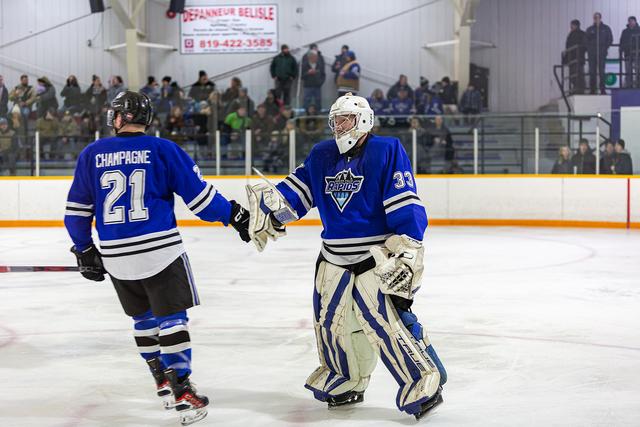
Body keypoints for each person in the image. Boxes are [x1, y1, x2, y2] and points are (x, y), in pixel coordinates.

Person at [245, 92, 446, 419]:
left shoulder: (385, 150)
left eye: (346, 120)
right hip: (333, 258)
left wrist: (408, 246)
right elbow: (297, 193)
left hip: (373, 256)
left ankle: (422, 378)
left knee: (386, 323)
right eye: (335, 121)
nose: (339, 126)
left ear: (364, 120)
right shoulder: (322, 154)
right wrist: (271, 209)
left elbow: (405, 201)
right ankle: (345, 377)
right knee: (330, 323)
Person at [63, 91, 252, 426]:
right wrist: (234, 215)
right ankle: (182, 389)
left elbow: (77, 212)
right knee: (172, 319)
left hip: (117, 256)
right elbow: (202, 200)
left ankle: (161, 380)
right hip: (160, 251)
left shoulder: (92, 153)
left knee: (143, 319)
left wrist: (84, 248)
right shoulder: (163, 149)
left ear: (119, 117)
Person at [585, 12, 613, 95]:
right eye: (595, 18)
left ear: (600, 18)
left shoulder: (606, 28)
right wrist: (590, 48)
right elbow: (585, 40)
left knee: (602, 71)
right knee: (592, 72)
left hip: (602, 53)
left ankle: (602, 89)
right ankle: (592, 90)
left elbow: (610, 39)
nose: (596, 19)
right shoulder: (590, 29)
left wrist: (605, 48)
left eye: (598, 17)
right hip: (592, 54)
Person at [564, 20, 587, 94]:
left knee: (578, 75)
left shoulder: (580, 34)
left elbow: (584, 46)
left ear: (576, 25)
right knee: (573, 75)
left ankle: (579, 90)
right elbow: (568, 47)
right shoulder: (572, 34)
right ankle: (576, 89)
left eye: (572, 25)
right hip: (573, 58)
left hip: (577, 58)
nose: (571, 27)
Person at [301, 45, 326, 110]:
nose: (316, 58)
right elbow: (301, 76)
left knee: (318, 101)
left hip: (317, 86)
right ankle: (306, 114)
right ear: (310, 57)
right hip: (308, 86)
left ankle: (318, 114)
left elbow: (323, 74)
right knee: (306, 101)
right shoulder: (304, 65)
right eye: (315, 56)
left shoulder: (319, 65)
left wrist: (320, 82)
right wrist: (308, 73)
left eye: (316, 56)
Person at [620, 16, 640, 88]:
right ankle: (629, 86)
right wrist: (621, 50)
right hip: (628, 53)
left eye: (632, 21)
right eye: (630, 21)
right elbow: (622, 41)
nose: (631, 22)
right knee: (628, 71)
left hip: (638, 54)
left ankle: (638, 85)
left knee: (638, 70)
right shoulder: (625, 31)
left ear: (635, 21)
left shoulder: (639, 30)